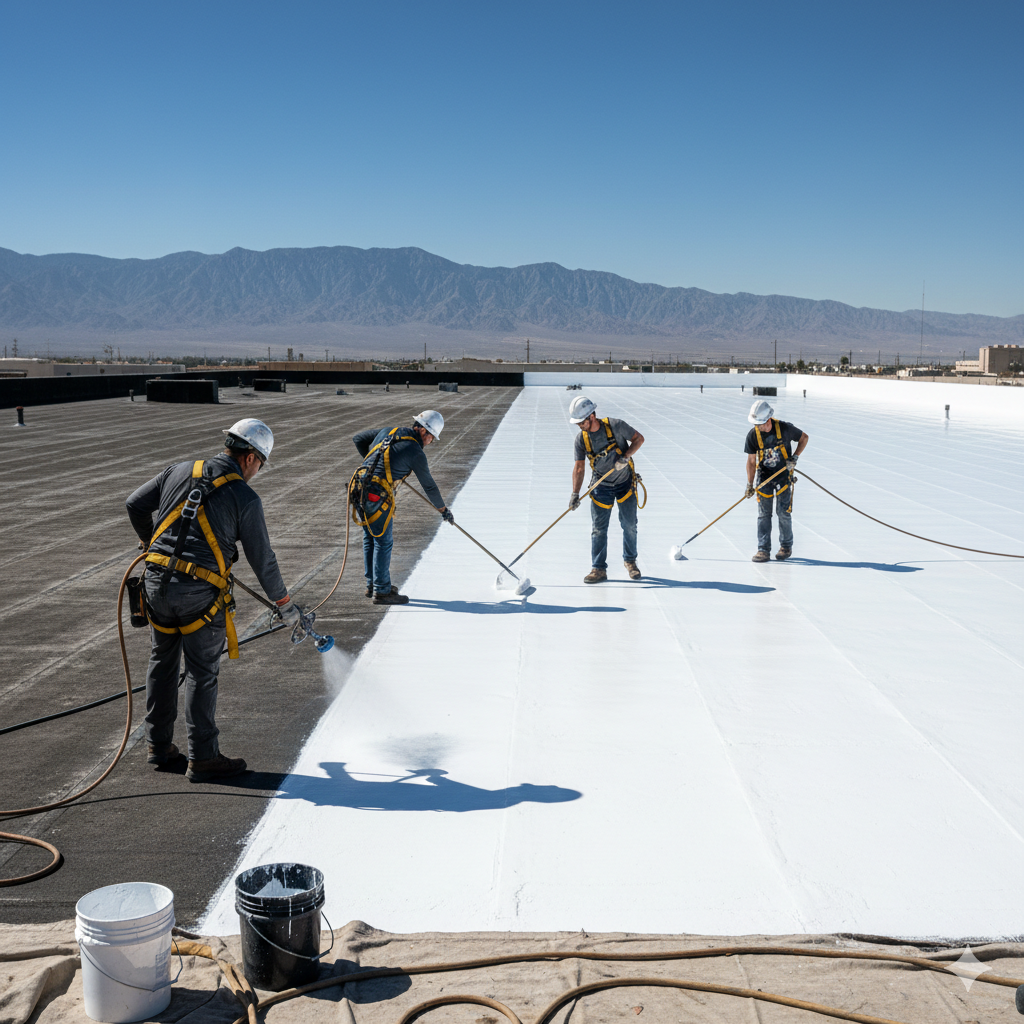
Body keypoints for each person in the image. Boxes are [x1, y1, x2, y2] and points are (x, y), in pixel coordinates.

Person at [126, 418, 301, 783]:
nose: (258, 472)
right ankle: (203, 757)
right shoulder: (244, 497)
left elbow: (134, 504)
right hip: (198, 595)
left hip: (156, 585)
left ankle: (158, 745)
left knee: (162, 660)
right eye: (261, 465)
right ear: (251, 457)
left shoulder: (178, 470)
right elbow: (262, 558)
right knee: (202, 674)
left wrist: (149, 544)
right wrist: (284, 603)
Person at [350, 410, 454, 605]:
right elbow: (429, 486)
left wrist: (374, 463)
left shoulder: (390, 431)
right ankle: (382, 591)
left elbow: (358, 439)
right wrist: (443, 510)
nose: (430, 442)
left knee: (370, 537)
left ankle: (373, 585)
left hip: (359, 487)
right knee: (383, 541)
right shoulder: (416, 452)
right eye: (432, 438)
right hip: (376, 494)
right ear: (424, 432)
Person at [568, 395, 645, 583]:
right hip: (600, 487)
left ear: (591, 417)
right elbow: (579, 467)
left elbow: (639, 439)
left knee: (629, 525)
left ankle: (630, 562)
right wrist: (575, 493)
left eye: (581, 422)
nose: (579, 426)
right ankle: (598, 569)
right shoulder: (581, 439)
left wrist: (625, 457)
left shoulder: (616, 426)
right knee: (598, 529)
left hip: (625, 482)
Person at [743, 399, 809, 562]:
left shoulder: (785, 428)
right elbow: (751, 462)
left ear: (768, 419)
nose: (758, 427)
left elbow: (804, 438)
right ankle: (763, 549)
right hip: (764, 479)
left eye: (760, 423)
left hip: (783, 477)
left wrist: (794, 457)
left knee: (783, 513)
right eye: (756, 424)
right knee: (763, 514)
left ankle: (786, 546)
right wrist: (750, 484)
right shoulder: (753, 435)